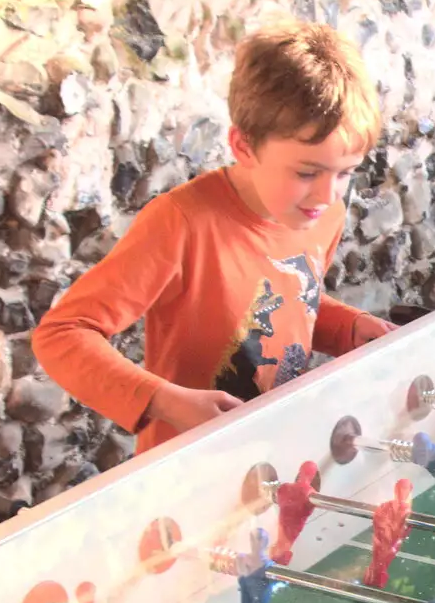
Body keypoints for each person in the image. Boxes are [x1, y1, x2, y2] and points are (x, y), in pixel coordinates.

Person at [32, 23, 394, 454]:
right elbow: (63, 333)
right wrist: (165, 400)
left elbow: (282, 297)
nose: (328, 194)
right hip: (188, 466)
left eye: (345, 173)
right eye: (306, 172)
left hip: (279, 448)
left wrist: (346, 328)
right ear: (243, 147)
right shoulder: (181, 221)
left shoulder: (321, 211)